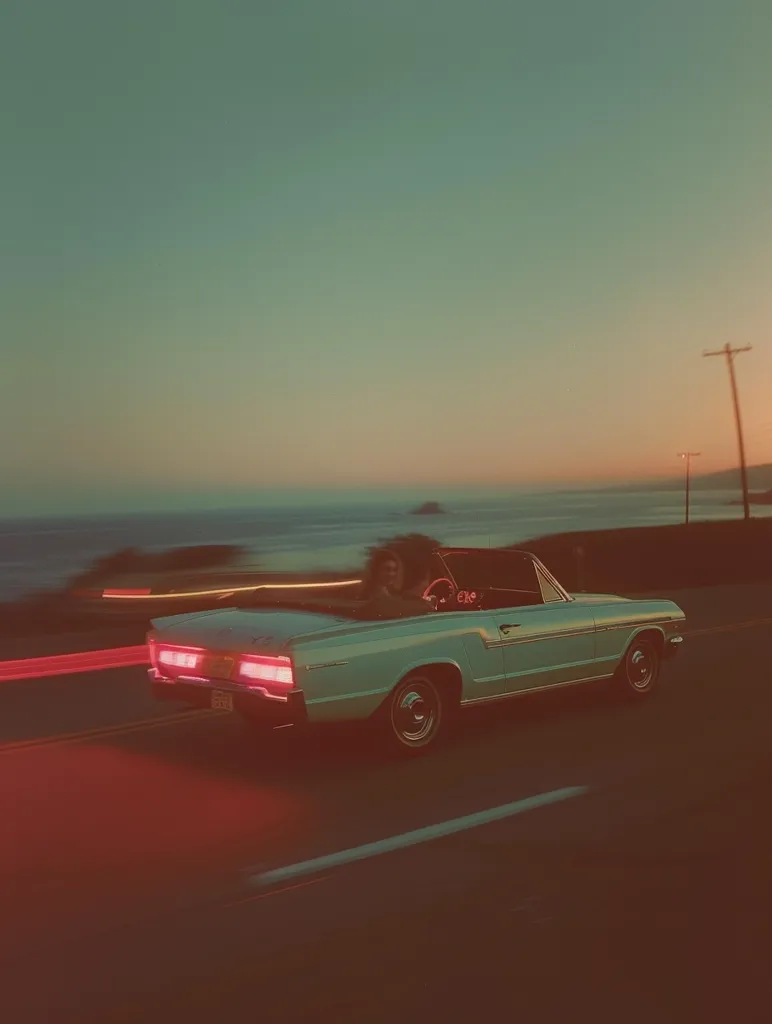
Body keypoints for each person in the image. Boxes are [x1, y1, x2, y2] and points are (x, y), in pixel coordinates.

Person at [360, 547, 433, 618]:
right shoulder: (374, 596)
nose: (392, 574)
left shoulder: (391, 593)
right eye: (387, 569)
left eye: (394, 570)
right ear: (376, 571)